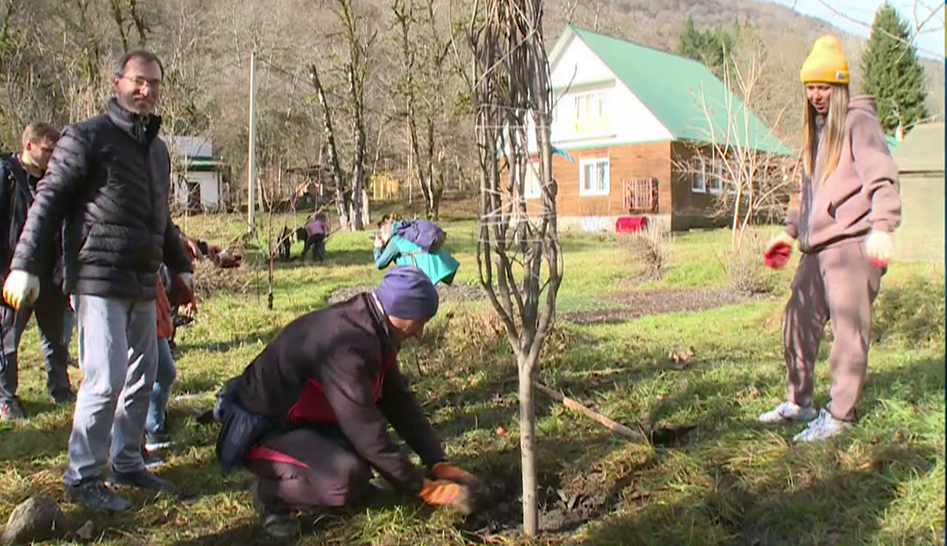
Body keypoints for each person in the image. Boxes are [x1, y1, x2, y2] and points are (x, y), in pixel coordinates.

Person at [1, 50, 194, 511]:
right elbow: (46, 200)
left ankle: (128, 461)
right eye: (137, 81)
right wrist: (24, 262)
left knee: (143, 376)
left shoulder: (158, 150)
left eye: (153, 83)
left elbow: (160, 217)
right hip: (96, 277)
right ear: (117, 83)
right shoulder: (87, 137)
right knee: (104, 379)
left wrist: (179, 263)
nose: (145, 90)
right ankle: (83, 475)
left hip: (143, 280)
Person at [214, 267, 476, 538]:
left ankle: (340, 479)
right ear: (400, 311)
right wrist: (423, 488)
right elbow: (365, 433)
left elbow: (399, 403)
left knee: (362, 468)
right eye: (419, 322)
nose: (420, 333)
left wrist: (436, 461)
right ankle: (271, 497)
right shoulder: (348, 348)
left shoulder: (375, 328)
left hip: (302, 423)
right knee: (343, 478)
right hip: (261, 430)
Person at [758, 35, 901, 442]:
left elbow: (883, 178)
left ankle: (839, 415)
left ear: (839, 87)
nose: (817, 95)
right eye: (810, 87)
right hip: (816, 249)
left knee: (848, 330)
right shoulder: (816, 133)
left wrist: (883, 227)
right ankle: (799, 403)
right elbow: (807, 193)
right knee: (796, 321)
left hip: (852, 246)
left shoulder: (859, 123)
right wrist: (788, 233)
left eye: (824, 87)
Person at [0, 122, 75, 420]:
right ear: (29, 146)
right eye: (47, 150)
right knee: (7, 341)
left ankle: (59, 389)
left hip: (50, 275)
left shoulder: (54, 182)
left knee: (56, 340)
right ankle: (6, 398)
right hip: (12, 274)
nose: (51, 157)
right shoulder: (6, 177)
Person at [373, 217, 459, 286]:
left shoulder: (395, 241)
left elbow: (380, 264)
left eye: (381, 233)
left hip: (425, 269)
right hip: (436, 263)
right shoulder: (405, 233)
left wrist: (377, 248)